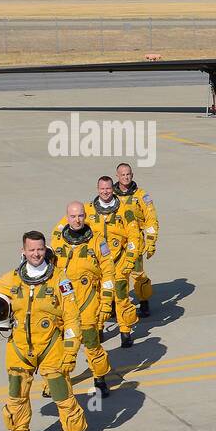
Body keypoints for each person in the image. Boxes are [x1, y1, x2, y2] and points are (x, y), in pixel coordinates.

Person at [0, 231, 88, 431]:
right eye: (31, 250)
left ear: (45, 250)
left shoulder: (60, 280)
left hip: (51, 347)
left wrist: (71, 351)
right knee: (16, 395)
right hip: (20, 348)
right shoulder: (13, 278)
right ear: (23, 251)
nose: (36, 254)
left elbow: (72, 318)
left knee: (62, 395)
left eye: (40, 249)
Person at [50, 201, 119, 396]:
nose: (77, 220)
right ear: (67, 217)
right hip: (64, 303)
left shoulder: (97, 242)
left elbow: (108, 272)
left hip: (88, 301)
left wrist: (106, 302)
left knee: (91, 344)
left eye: (80, 216)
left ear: (85, 216)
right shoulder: (58, 242)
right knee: (60, 345)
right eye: (73, 216)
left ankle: (100, 377)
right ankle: (58, 379)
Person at [85, 175, 142, 347]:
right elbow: (67, 226)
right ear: (97, 189)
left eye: (108, 188)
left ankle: (125, 331)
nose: (105, 192)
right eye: (102, 188)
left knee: (121, 298)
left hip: (119, 263)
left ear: (112, 188)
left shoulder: (124, 210)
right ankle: (99, 328)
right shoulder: (88, 210)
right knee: (98, 298)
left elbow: (134, 234)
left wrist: (130, 259)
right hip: (98, 266)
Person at [114, 162, 159, 317]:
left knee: (138, 274)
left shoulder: (141, 195)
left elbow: (151, 219)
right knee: (117, 275)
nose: (126, 177)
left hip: (136, 241)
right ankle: (119, 302)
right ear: (117, 176)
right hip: (116, 243)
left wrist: (151, 241)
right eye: (122, 175)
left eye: (128, 174)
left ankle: (144, 300)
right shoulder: (111, 197)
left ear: (132, 175)